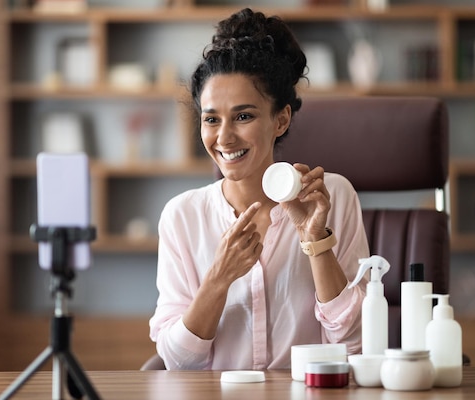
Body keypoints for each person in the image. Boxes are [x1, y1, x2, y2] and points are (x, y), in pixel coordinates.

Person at [149, 8, 369, 370]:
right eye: (211, 119)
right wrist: (219, 278)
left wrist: (316, 242)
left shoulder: (332, 197)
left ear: (280, 119)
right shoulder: (182, 216)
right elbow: (176, 363)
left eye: (244, 116)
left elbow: (354, 344)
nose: (224, 137)